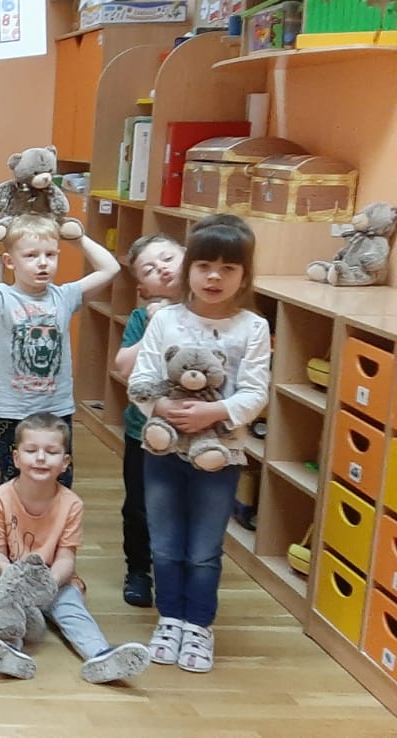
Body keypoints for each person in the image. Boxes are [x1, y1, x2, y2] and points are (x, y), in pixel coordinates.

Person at [128, 217, 269, 674]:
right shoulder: (166, 319)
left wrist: (214, 412)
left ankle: (198, 625)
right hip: (163, 450)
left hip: (219, 456)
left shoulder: (252, 327)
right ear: (188, 269)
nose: (214, 277)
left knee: (205, 547)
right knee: (165, 542)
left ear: (244, 276)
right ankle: (170, 618)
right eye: (204, 265)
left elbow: (255, 393)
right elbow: (141, 379)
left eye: (228, 268)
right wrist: (161, 406)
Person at [0, 214, 122, 488]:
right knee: (13, 481)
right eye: (31, 255)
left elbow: (110, 268)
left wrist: (78, 238)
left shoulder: (64, 296)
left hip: (56, 408)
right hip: (12, 410)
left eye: (50, 254)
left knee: (58, 481)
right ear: (10, 262)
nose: (42, 262)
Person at [0, 412, 151, 683]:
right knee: (3, 608)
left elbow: (66, 558)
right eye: (31, 450)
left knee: (72, 610)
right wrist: (15, 581)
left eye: (51, 452)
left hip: (53, 580)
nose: (41, 458)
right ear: (16, 458)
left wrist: (46, 585)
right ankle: (8, 651)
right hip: (6, 577)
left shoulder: (71, 503)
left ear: (65, 462)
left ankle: (100, 655)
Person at [112, 233, 186, 607]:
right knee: (139, 505)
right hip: (143, 429)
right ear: (143, 289)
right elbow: (124, 367)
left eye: (168, 259)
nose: (162, 269)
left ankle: (177, 572)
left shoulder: (211, 313)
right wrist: (157, 325)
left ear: (188, 257)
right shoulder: (143, 317)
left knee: (185, 505)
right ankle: (139, 570)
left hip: (194, 431)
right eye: (150, 269)